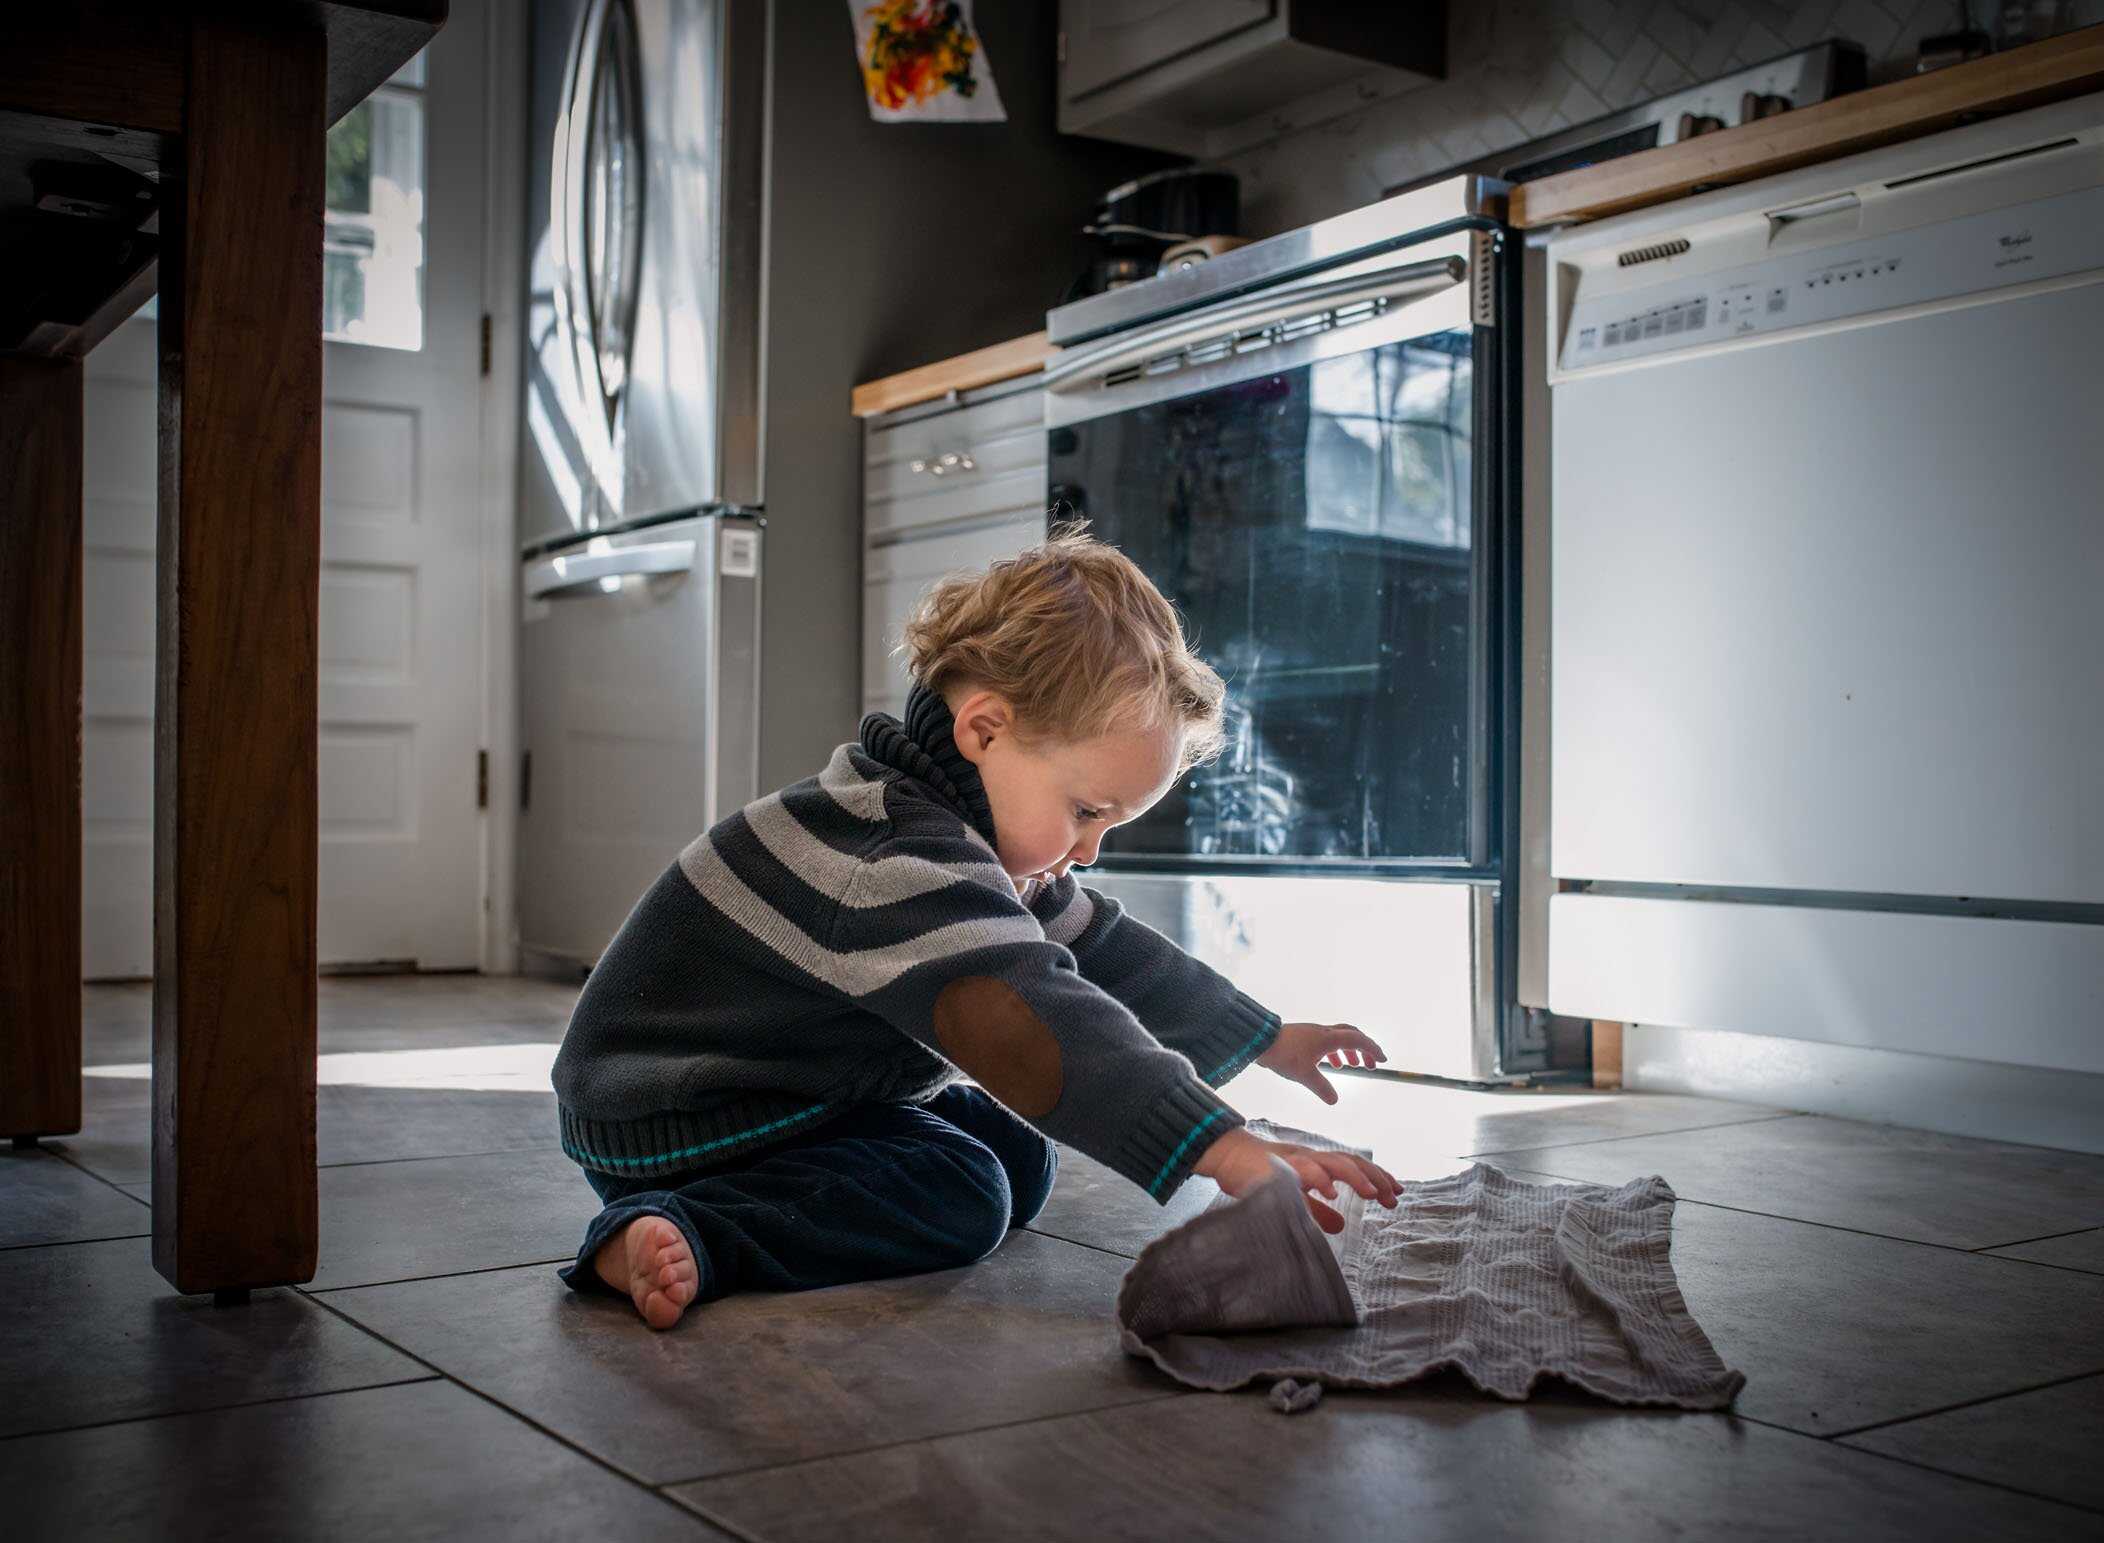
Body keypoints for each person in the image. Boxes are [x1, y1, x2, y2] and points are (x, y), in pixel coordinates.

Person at [550, 522, 1400, 1329]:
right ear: (985, 728)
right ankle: (686, 1226)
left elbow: (1102, 951)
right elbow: (1043, 1024)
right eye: (1085, 810)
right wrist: (1223, 1147)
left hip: (786, 1084)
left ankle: (714, 1205)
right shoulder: (894, 859)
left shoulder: (964, 834)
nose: (1090, 851)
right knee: (963, 1186)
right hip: (680, 1115)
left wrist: (1263, 1036)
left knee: (1023, 1159)